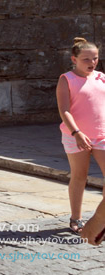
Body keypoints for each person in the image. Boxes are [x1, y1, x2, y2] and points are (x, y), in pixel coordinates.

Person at [57, 37, 105, 234]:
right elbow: (64, 110)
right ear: (74, 59)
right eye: (86, 59)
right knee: (79, 177)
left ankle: (101, 219)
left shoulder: (102, 77)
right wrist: (76, 133)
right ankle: (75, 218)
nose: (92, 63)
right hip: (75, 136)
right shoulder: (66, 79)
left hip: (102, 136)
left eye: (95, 59)